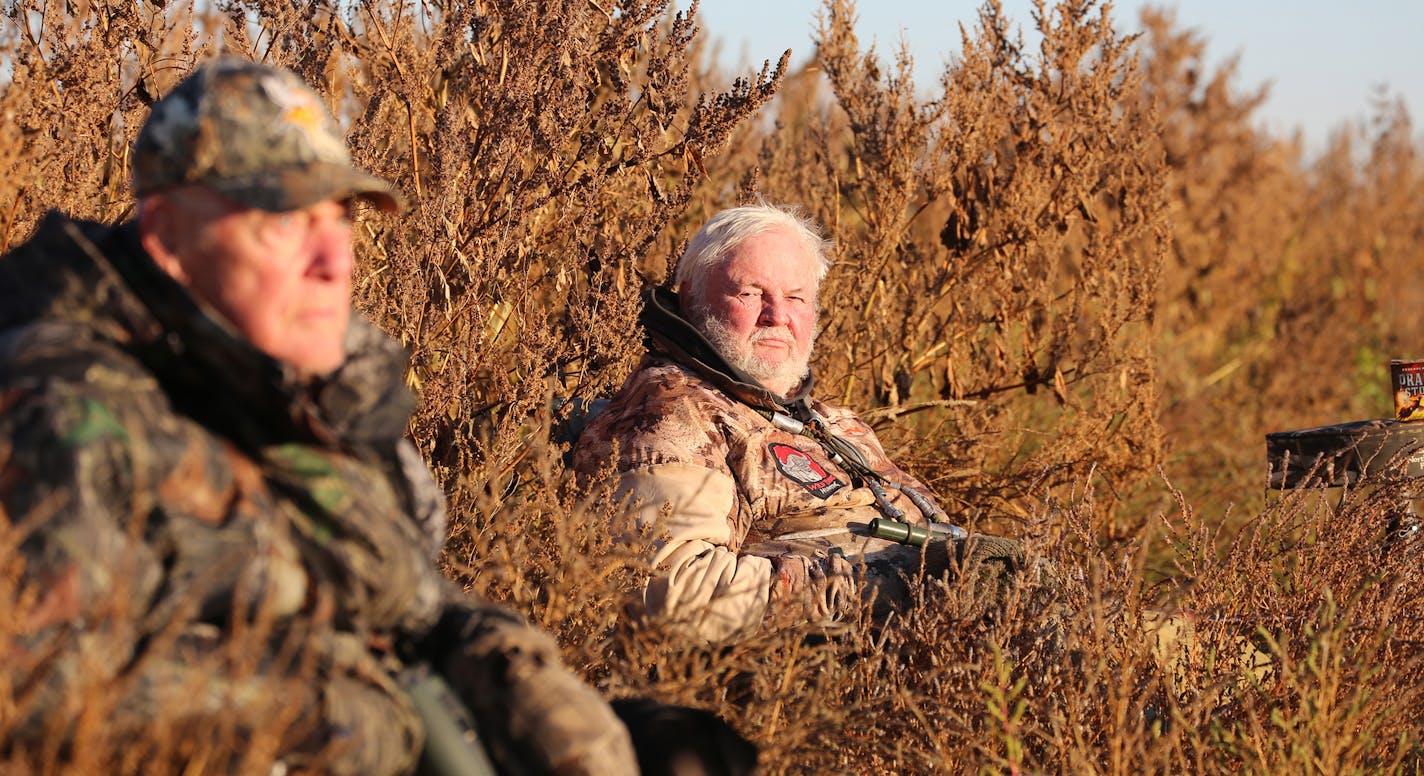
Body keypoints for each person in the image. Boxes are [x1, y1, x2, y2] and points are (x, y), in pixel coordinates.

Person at [0, 58, 641, 774]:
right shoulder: (56, 408)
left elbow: (401, 594)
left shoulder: (292, 391)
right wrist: (338, 713)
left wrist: (509, 670)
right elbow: (32, 684)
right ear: (168, 237)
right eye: (284, 220)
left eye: (340, 217)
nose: (334, 259)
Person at [572, 203, 1023, 643]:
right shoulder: (671, 413)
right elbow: (676, 592)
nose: (778, 316)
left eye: (795, 297)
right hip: (805, 682)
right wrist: (885, 586)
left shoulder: (829, 422)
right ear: (689, 297)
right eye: (750, 293)